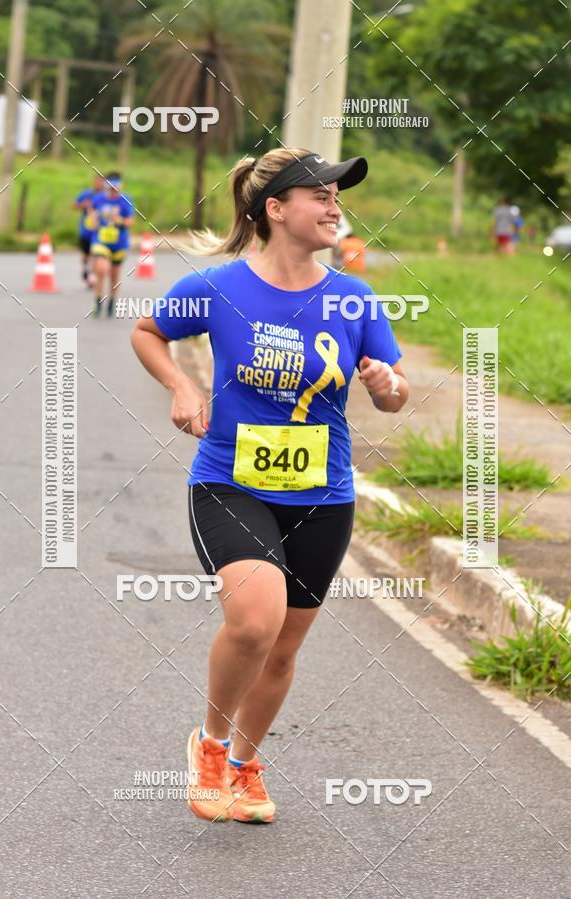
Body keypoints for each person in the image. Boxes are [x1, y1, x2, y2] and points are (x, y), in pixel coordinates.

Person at [131, 148, 409, 825]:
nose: (336, 205)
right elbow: (147, 331)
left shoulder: (354, 296)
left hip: (323, 492)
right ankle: (211, 746)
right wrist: (183, 383)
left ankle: (245, 767)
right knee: (255, 619)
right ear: (275, 209)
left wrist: (386, 385)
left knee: (284, 645)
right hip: (230, 481)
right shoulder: (220, 287)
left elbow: (397, 392)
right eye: (320, 194)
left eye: (338, 194)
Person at [90, 172, 134, 317]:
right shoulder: (99, 199)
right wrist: (94, 220)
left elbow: (130, 221)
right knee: (102, 269)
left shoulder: (125, 200)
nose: (113, 191)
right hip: (101, 241)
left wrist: (119, 220)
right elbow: (92, 212)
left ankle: (111, 303)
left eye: (116, 188)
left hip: (119, 243)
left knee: (114, 276)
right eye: (111, 188)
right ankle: (98, 301)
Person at [74, 174, 104, 286]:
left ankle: (93, 275)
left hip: (99, 231)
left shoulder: (105, 197)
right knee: (86, 254)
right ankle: (86, 269)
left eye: (101, 181)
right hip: (86, 230)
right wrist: (83, 205)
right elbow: (75, 205)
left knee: (96, 254)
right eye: (97, 181)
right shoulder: (87, 194)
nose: (98, 183)